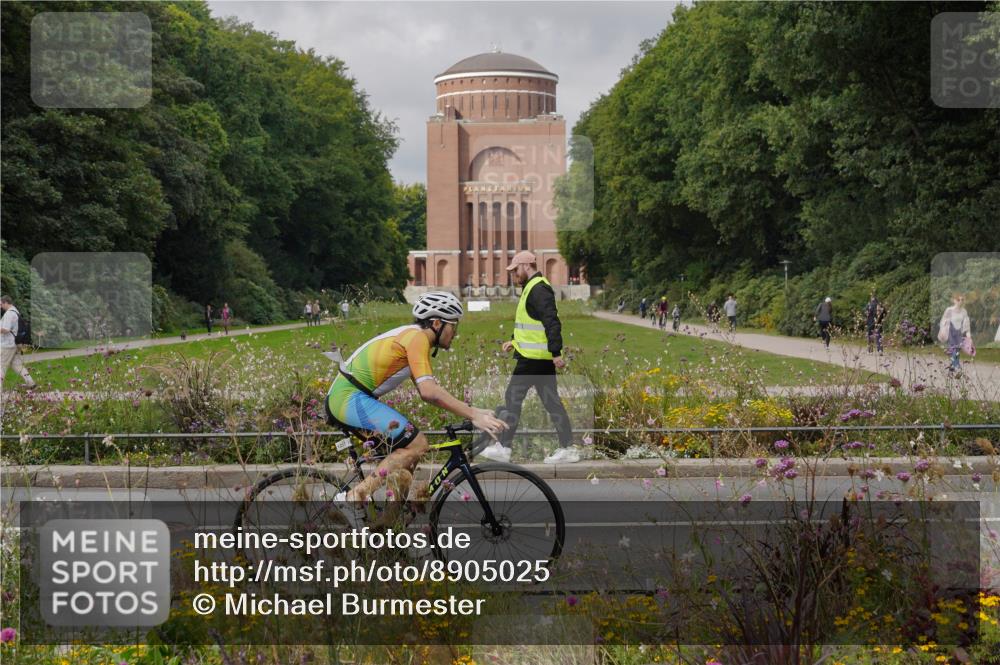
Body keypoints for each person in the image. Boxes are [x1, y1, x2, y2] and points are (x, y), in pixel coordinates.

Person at [326, 291, 507, 507]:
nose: (455, 333)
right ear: (438, 323)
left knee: (407, 458)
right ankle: (353, 498)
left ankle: (389, 524)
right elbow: (428, 392)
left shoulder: (413, 337)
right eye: (453, 326)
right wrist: (474, 414)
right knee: (418, 444)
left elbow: (430, 391)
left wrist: (474, 409)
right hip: (348, 399)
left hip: (353, 398)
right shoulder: (417, 339)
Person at [479, 251, 577, 465]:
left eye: (515, 270)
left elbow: (552, 321)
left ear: (525, 266)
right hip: (536, 358)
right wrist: (514, 340)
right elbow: (533, 323)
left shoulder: (538, 288)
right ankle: (568, 448)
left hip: (533, 359)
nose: (513, 275)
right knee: (552, 403)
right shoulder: (531, 288)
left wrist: (556, 352)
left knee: (512, 397)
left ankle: (504, 448)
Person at [0, 296, 36, 391]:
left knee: (1, 365)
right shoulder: (15, 311)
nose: (1, 306)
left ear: (6, 302)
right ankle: (31, 383)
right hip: (13, 344)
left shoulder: (9, 314)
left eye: (1, 304)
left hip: (7, 345)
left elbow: (6, 329)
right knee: (17, 365)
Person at [938, 294, 971, 372]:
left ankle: (953, 366)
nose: (960, 301)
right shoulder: (949, 310)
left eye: (962, 300)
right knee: (953, 347)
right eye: (958, 300)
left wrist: (968, 334)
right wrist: (943, 330)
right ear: (954, 301)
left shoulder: (964, 311)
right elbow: (943, 321)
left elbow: (966, 323)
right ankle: (957, 365)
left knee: (958, 348)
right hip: (951, 330)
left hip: (959, 331)